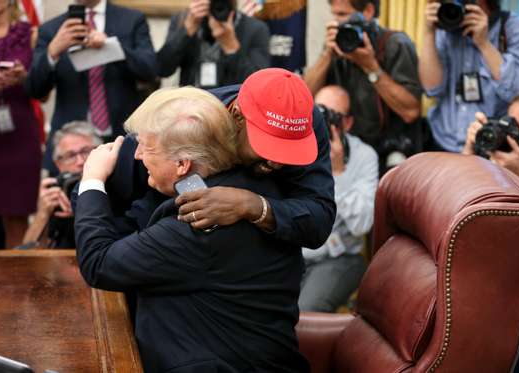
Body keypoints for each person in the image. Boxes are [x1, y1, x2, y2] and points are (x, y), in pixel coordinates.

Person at [75, 87, 310, 373]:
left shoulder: (198, 224)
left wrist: (92, 180)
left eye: (147, 146)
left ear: (183, 164)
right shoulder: (258, 187)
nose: (137, 155)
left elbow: (99, 264)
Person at [101, 67, 336, 250]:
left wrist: (253, 205)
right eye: (267, 148)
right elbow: (106, 184)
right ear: (236, 116)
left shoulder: (301, 121)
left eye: (288, 152)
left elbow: (319, 221)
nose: (276, 163)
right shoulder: (183, 119)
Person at [25, 0, 157, 174]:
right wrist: (52, 51)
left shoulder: (132, 19)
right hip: (71, 145)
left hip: (122, 136)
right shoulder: (51, 29)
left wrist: (111, 48)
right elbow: (35, 89)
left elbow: (151, 70)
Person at [461, 92, 519, 373]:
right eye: (509, 125)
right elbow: (450, 207)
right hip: (478, 297)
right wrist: (469, 154)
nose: (513, 137)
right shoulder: (485, 159)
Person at [303, 0, 422, 174]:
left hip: (390, 157)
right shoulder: (339, 43)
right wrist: (327, 54)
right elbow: (305, 96)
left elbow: (410, 111)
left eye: (342, 15)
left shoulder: (395, 44)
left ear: (368, 11)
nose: (336, 22)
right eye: (334, 14)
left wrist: (371, 67)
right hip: (345, 151)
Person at [420, 0, 519, 153]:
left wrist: (484, 43)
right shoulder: (446, 24)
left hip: (493, 146)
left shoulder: (516, 28)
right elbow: (432, 88)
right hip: (442, 141)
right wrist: (429, 33)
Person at [299, 85, 378, 312]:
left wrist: (338, 173)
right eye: (319, 111)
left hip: (338, 257)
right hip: (294, 254)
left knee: (306, 313)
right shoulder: (296, 146)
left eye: (334, 115)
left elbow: (362, 224)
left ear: (348, 123)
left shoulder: (364, 156)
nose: (324, 121)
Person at [0, 0, 41, 248]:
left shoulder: (31, 34)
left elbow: (43, 92)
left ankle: (18, 285)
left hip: (20, 137)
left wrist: (25, 78)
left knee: (17, 220)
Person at [157, 0, 270, 88]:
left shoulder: (255, 28)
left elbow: (258, 85)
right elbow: (162, 69)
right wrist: (186, 31)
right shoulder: (183, 20)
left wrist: (231, 46)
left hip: (231, 106)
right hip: (192, 103)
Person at [23, 122, 101, 248]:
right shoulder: (57, 192)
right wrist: (42, 214)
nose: (80, 161)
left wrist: (82, 212)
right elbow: (27, 253)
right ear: (59, 164)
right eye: (70, 156)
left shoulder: (118, 185)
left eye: (86, 151)